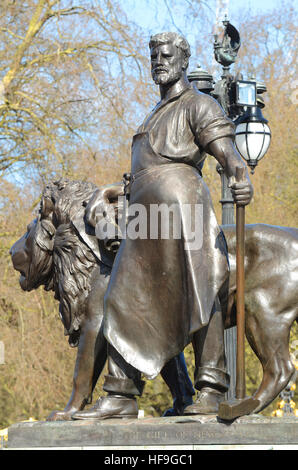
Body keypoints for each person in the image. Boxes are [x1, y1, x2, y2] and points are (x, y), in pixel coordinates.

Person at [72, 32, 253, 420]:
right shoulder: (152, 113)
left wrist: (239, 174)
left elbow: (228, 153)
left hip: (183, 209)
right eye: (153, 55)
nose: (158, 61)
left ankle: (210, 387)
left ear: (183, 61)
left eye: (166, 55)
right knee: (121, 296)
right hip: (143, 218)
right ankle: (121, 392)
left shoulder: (198, 105)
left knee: (200, 289)